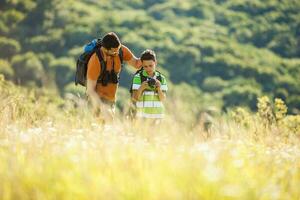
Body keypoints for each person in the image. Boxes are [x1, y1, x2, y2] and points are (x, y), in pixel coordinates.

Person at [86, 32, 141, 122]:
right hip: (97, 101)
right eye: (114, 51)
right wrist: (103, 108)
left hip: (111, 100)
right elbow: (90, 90)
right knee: (97, 131)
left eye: (118, 49)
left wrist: (148, 58)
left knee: (108, 131)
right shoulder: (95, 60)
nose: (117, 53)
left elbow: (136, 63)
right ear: (105, 49)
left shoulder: (121, 50)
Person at [131, 49, 168, 122]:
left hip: (158, 116)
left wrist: (159, 89)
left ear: (155, 63)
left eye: (151, 65)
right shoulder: (138, 77)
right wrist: (141, 88)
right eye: (145, 66)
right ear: (142, 65)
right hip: (142, 116)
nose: (148, 68)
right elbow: (135, 99)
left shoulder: (161, 78)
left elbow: (163, 99)